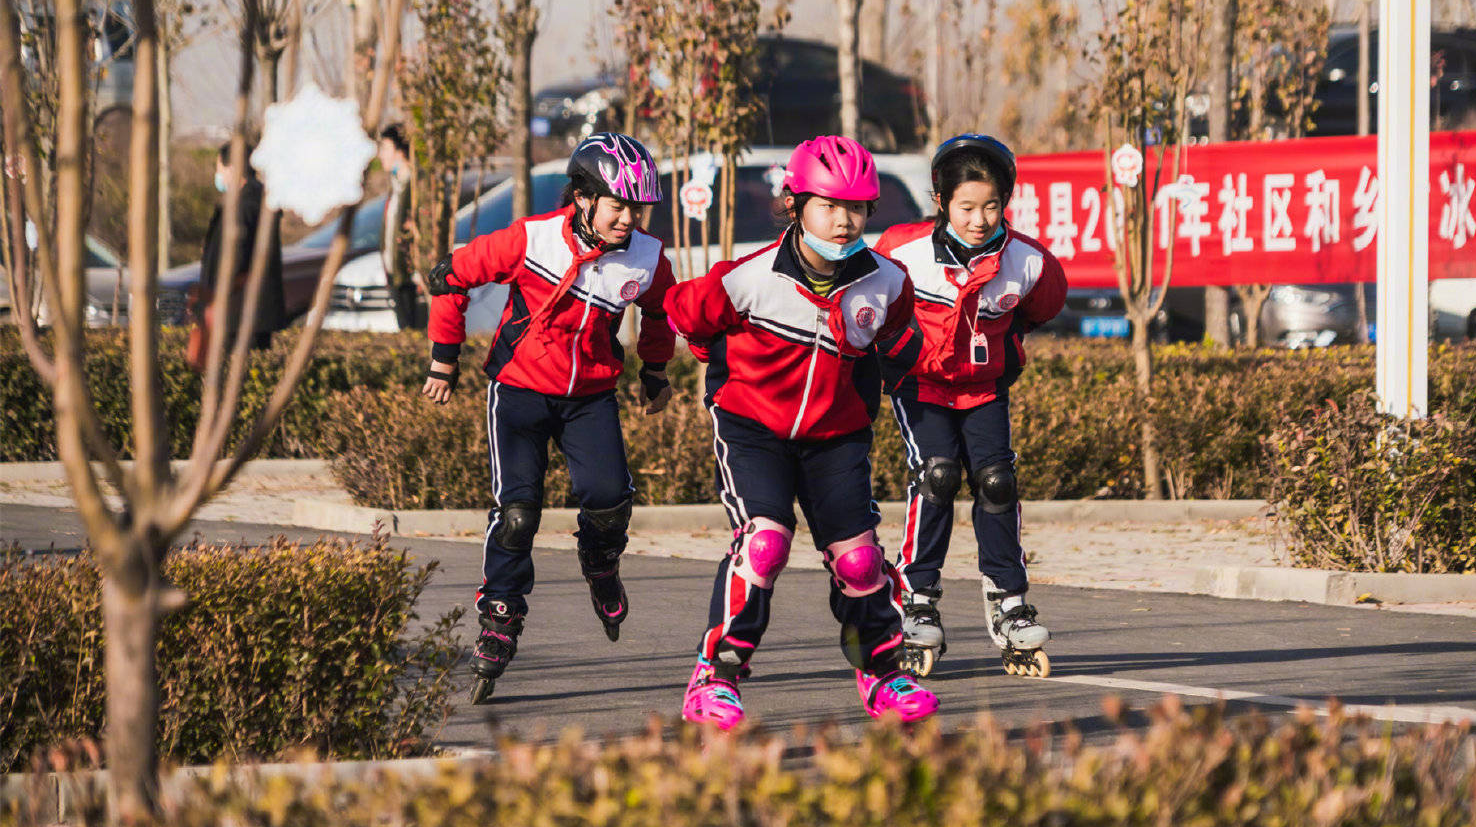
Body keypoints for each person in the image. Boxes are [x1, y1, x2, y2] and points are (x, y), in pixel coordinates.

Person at [670, 135, 939, 730]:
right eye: (828, 205)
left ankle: (882, 671)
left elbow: (900, 348)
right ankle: (715, 677)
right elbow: (686, 315)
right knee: (765, 543)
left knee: (861, 562)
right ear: (794, 205)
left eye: (858, 207)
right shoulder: (748, 278)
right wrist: (720, 365)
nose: (844, 221)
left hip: (836, 437)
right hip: (753, 430)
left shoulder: (886, 283)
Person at [422, 132, 676, 705]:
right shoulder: (531, 238)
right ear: (583, 198)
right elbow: (450, 276)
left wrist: (654, 372)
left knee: (609, 501)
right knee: (517, 513)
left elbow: (660, 311)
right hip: (519, 392)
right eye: (619, 205)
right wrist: (444, 359)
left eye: (639, 208)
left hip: (590, 395)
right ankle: (500, 616)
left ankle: (600, 562)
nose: (630, 219)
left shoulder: (646, 256)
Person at [873, 134, 1066, 678]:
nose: (979, 219)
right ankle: (916, 598)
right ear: (941, 202)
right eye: (966, 207)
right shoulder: (901, 251)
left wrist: (1002, 343)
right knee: (937, 476)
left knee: (996, 481)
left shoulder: (1028, 261)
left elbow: (1042, 306)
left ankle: (1008, 601)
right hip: (921, 385)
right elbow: (873, 307)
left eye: (991, 206)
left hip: (983, 388)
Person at [193, 139, 286, 360]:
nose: (219, 176)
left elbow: (236, 259)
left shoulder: (245, 205)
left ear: (233, 168)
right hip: (245, 312)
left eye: (220, 169)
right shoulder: (256, 200)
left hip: (239, 312)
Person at [377, 123, 421, 330]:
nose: (381, 155)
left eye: (385, 148)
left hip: (411, 276)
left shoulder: (416, 187)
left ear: (400, 151)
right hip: (395, 272)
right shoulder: (396, 185)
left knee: (413, 330)